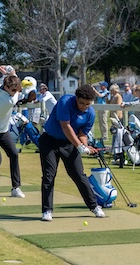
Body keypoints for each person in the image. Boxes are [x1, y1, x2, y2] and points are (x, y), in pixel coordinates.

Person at [38, 85, 107, 222]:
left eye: (87, 104)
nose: (84, 106)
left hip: (69, 144)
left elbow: (82, 134)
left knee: (79, 175)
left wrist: (86, 146)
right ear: (76, 98)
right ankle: (47, 210)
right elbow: (66, 126)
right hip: (49, 141)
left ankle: (94, 206)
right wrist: (80, 146)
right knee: (49, 175)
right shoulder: (65, 101)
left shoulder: (90, 114)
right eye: (81, 103)